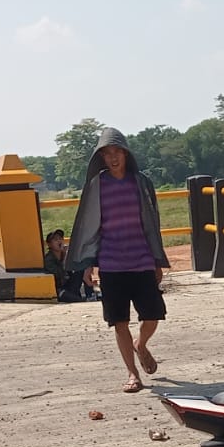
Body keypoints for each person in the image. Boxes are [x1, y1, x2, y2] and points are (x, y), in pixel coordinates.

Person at [65, 127, 169, 393]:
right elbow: (90, 227)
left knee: (153, 315)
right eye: (107, 153)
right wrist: (88, 263)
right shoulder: (97, 186)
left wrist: (157, 259)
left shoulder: (141, 183)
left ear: (126, 153)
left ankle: (141, 344)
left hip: (142, 259)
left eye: (117, 152)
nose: (112, 158)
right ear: (101, 158)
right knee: (119, 321)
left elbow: (152, 224)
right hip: (111, 263)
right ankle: (133, 374)